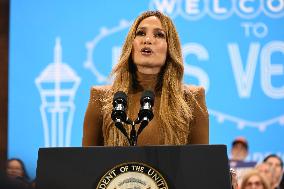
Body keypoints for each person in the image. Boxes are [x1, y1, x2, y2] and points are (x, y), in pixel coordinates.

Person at [82, 10, 209, 146]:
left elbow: (200, 163)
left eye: (159, 35)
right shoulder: (101, 98)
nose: (147, 40)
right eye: (141, 33)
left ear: (170, 47)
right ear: (130, 45)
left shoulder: (192, 99)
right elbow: (88, 164)